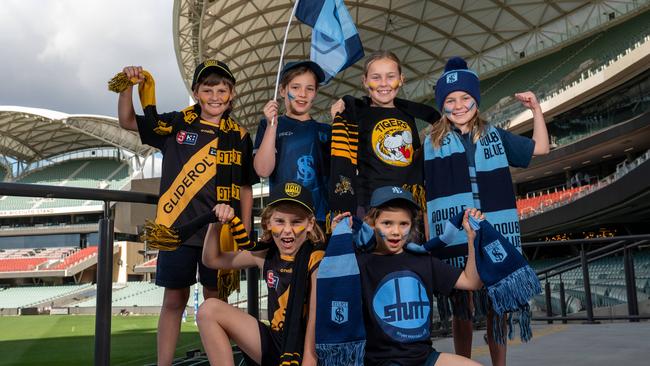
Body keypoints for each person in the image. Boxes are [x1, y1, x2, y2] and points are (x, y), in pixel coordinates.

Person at [116, 60, 257, 365]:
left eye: (222, 90)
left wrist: (244, 230)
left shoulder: (241, 136)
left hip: (218, 235)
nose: (215, 96)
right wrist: (127, 86)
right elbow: (127, 121)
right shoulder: (176, 124)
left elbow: (246, 187)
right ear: (196, 92)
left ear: (231, 94)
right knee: (174, 300)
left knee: (216, 303)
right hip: (176, 230)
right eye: (208, 89)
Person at [423, 56, 550, 366]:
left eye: (465, 97)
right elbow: (424, 195)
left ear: (476, 101)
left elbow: (541, 148)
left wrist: (536, 109)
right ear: (443, 105)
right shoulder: (430, 143)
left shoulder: (495, 135)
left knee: (497, 306)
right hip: (456, 233)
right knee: (462, 308)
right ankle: (464, 362)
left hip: (493, 230)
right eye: (450, 100)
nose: (458, 105)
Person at [326, 186, 484, 366]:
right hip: (382, 361)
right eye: (387, 223)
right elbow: (332, 286)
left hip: (424, 357)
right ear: (371, 224)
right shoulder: (359, 264)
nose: (396, 231)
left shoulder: (423, 261)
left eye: (403, 224)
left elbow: (472, 282)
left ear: (412, 225)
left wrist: (472, 238)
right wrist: (337, 238)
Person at [198, 181, 326, 366]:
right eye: (279, 221)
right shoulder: (266, 255)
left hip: (304, 350)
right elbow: (212, 260)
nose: (287, 230)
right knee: (208, 310)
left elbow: (315, 319)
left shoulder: (317, 259)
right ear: (267, 223)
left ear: (310, 224)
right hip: (275, 342)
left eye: (297, 221)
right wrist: (216, 224)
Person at [328, 50, 440, 224]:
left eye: (390, 77)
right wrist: (338, 117)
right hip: (371, 206)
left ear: (401, 79)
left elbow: (413, 156)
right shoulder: (357, 114)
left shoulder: (408, 114)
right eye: (376, 77)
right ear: (365, 81)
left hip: (406, 204)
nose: (384, 84)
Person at [254, 61, 331, 228]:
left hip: (318, 219)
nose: (302, 94)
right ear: (282, 90)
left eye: (309, 88)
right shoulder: (268, 126)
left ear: (315, 93)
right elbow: (262, 170)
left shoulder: (326, 131)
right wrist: (271, 126)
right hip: (282, 219)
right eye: (295, 87)